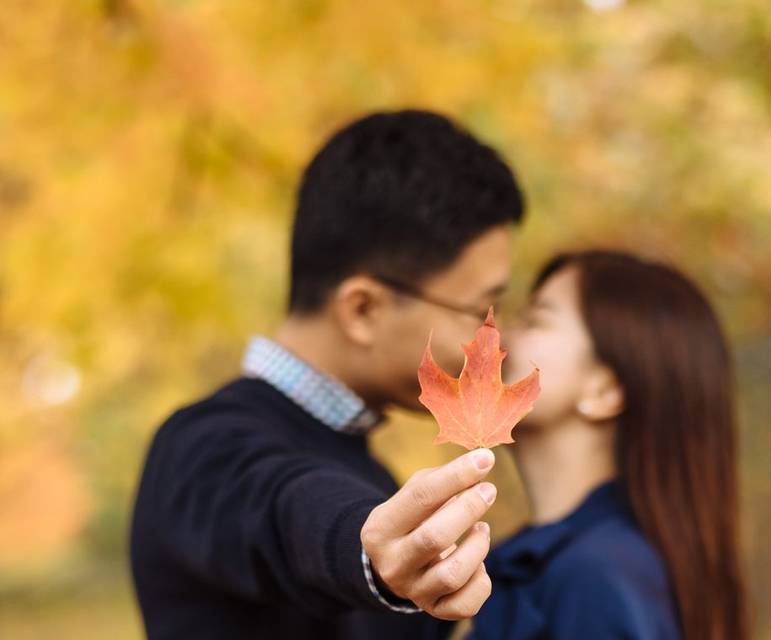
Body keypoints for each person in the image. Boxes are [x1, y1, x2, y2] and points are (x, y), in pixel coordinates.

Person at [129, 110, 526, 639]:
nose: (495, 344)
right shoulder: (202, 449)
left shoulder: (373, 478)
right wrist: (366, 548)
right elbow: (286, 508)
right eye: (480, 311)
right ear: (363, 309)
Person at [468, 250, 750, 640]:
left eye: (536, 320)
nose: (500, 336)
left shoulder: (594, 578)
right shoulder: (573, 565)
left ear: (605, 390)